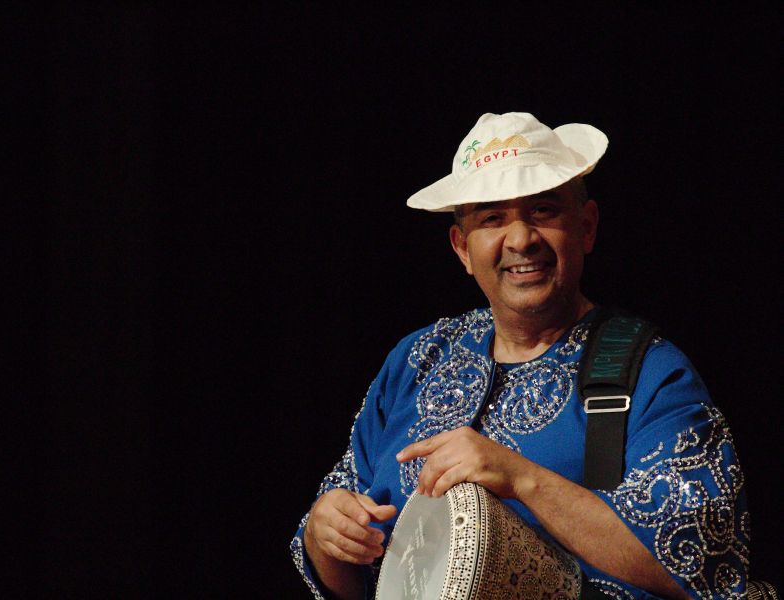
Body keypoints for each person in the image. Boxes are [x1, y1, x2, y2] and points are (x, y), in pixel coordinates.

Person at [290, 112, 748, 599]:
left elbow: (706, 563)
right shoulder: (417, 359)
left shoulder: (649, 373)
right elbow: (346, 564)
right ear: (463, 249)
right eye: (492, 218)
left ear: (586, 227)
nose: (521, 238)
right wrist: (325, 536)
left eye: (543, 210)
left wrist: (522, 478)